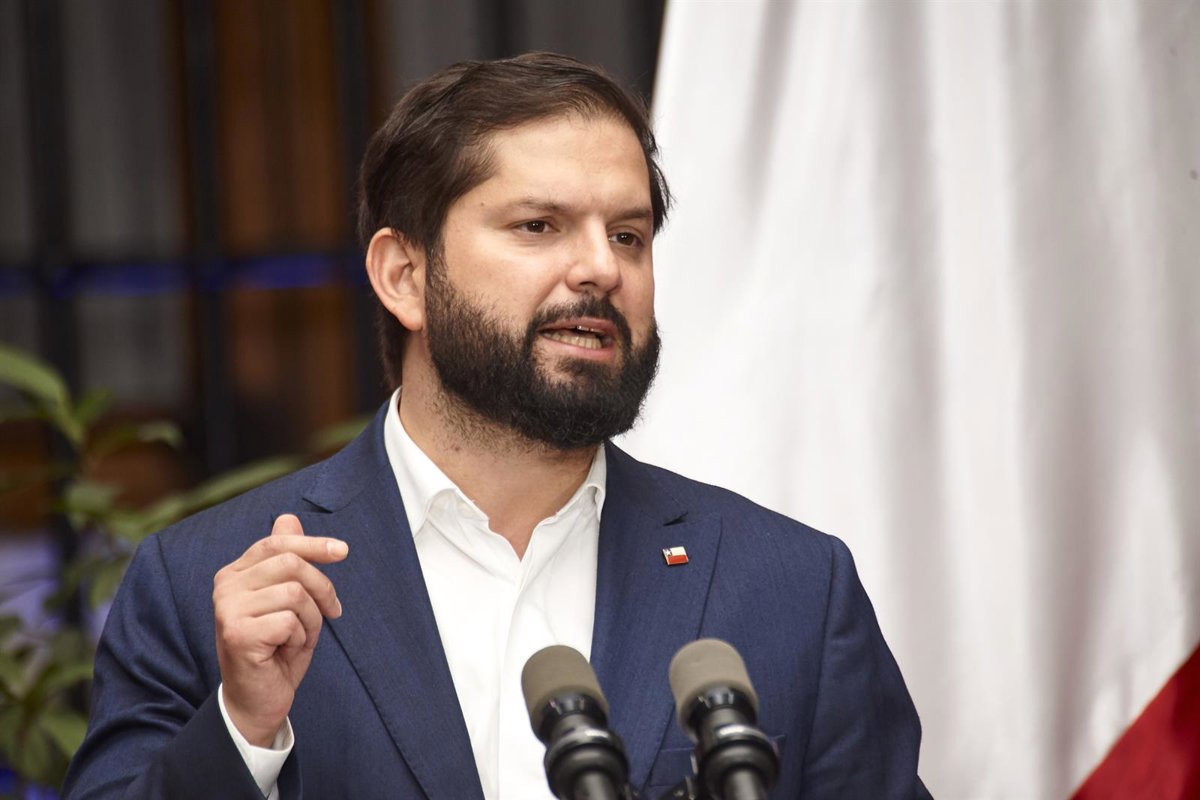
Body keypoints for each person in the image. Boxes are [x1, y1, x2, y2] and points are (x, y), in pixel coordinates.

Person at [63, 53, 930, 799]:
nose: (600, 268)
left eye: (628, 235)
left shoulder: (790, 589)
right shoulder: (205, 586)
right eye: (539, 226)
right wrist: (242, 730)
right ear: (404, 276)